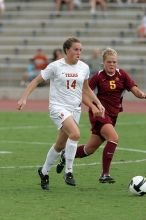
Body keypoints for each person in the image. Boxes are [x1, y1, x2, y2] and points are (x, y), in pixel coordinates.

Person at [17, 37, 105, 190]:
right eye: (76, 49)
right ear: (67, 50)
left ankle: (44, 172)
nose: (79, 52)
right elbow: (36, 81)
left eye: (80, 50)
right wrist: (24, 98)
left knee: (59, 145)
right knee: (76, 134)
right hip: (58, 108)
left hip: (75, 110)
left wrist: (98, 102)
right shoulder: (55, 66)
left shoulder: (83, 67)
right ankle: (69, 171)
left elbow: (86, 89)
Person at [56, 47, 146, 184]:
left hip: (113, 116)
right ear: (103, 63)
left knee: (89, 149)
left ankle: (66, 154)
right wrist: (92, 106)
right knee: (114, 138)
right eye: (109, 62)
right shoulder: (98, 77)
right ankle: (105, 174)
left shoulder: (122, 75)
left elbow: (137, 92)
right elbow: (84, 92)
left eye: (114, 62)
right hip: (99, 114)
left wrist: (143, 95)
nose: (112, 65)